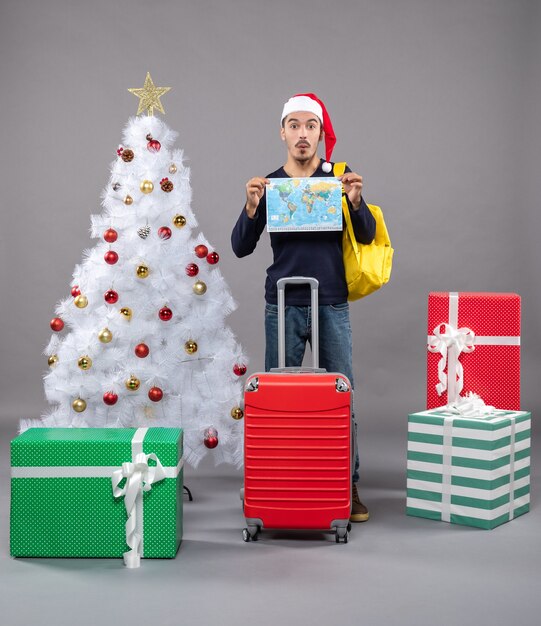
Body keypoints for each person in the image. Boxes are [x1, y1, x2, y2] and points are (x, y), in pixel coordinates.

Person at [231, 93, 376, 522]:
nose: (301, 134)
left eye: (310, 126)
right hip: (282, 303)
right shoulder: (272, 184)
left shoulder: (338, 177)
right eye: (293, 125)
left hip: (331, 301)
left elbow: (366, 236)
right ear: (282, 132)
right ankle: (278, 482)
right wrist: (252, 206)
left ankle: (346, 486)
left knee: (341, 397)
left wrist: (354, 201)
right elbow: (240, 247)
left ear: (319, 133)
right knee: (278, 398)